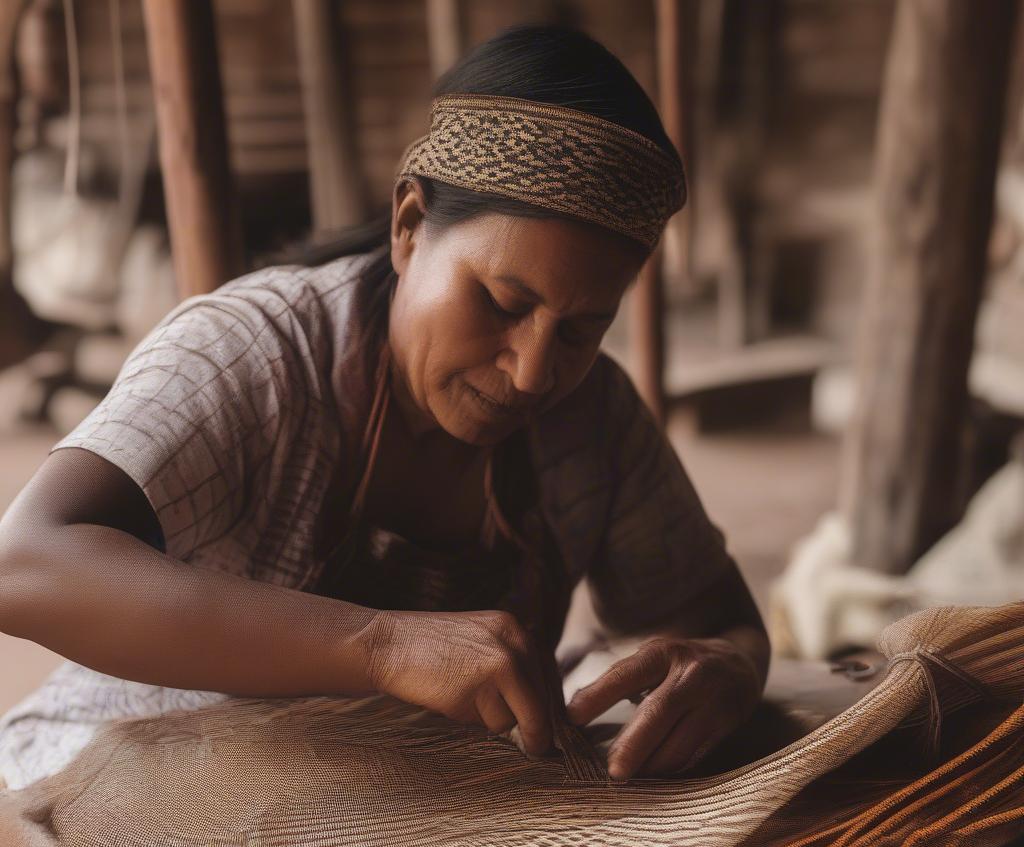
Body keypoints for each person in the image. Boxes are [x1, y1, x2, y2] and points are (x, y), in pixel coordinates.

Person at [0, 24, 769, 791]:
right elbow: (25, 563)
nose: (535, 373)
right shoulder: (258, 352)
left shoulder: (593, 417)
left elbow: (718, 618)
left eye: (582, 328)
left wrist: (726, 669)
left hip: (382, 814)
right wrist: (380, 646)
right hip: (122, 777)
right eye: (504, 302)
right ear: (408, 226)